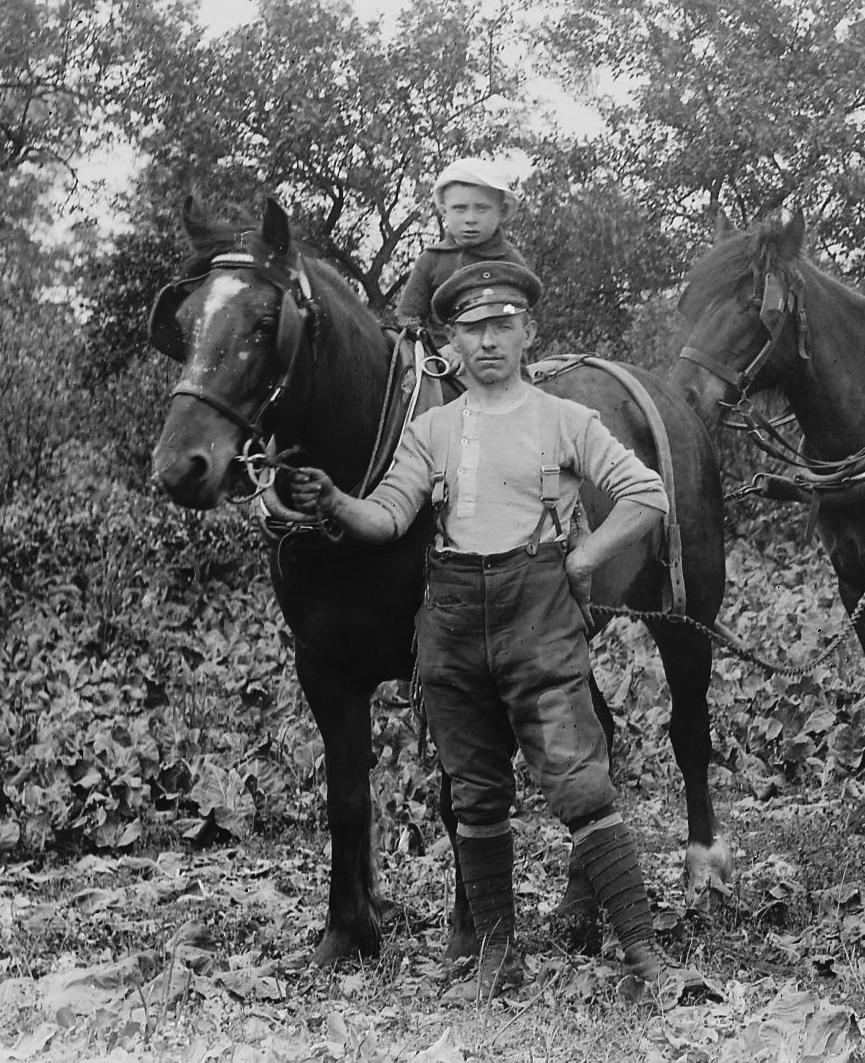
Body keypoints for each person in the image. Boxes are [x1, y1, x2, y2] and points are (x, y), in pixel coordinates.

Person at [277, 260, 683, 996]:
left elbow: (646, 492)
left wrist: (585, 553)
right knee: (474, 792)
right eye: (472, 328)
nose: (488, 340)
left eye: (502, 325)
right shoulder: (432, 428)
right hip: (455, 618)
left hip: (538, 614)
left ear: (528, 332)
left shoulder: (565, 418)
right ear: (451, 342)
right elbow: (391, 514)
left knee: (579, 781)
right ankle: (498, 954)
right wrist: (335, 499)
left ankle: (645, 953)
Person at [393, 157, 531, 331]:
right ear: (444, 211)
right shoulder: (432, 259)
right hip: (439, 354)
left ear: (501, 211)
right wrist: (425, 343)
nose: (470, 219)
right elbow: (407, 316)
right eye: (460, 208)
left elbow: (521, 318)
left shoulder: (510, 261)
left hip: (498, 353)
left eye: (482, 208)